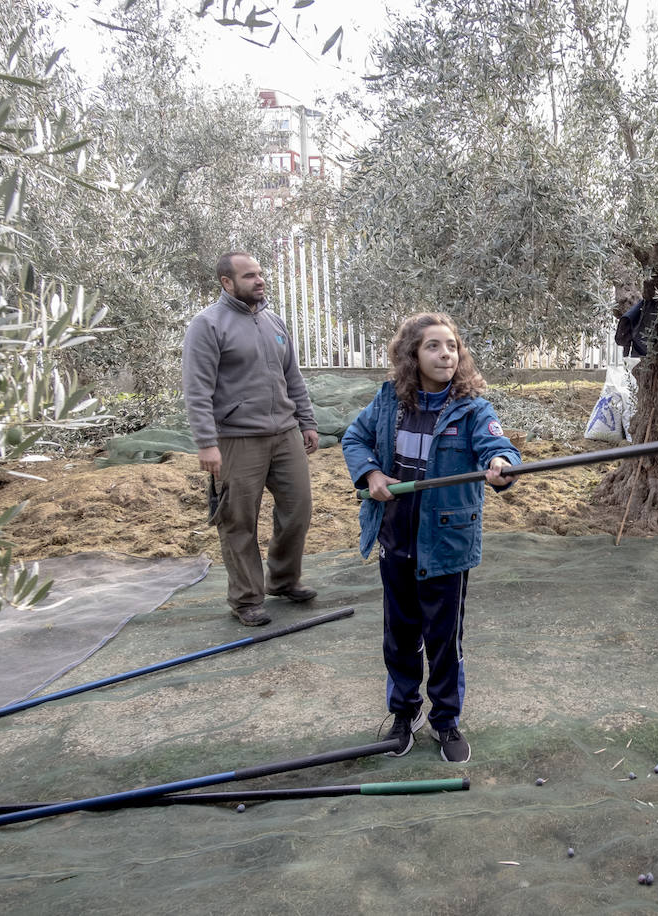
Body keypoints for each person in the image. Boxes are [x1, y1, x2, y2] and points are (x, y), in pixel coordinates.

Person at [341, 313, 520, 763]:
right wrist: (371, 472)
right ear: (412, 355)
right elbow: (354, 438)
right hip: (395, 537)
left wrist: (500, 464)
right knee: (399, 636)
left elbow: (498, 448)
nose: (446, 354)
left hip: (445, 546)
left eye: (452, 347)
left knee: (443, 641)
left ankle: (446, 720)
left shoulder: (473, 408)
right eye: (434, 347)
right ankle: (404, 714)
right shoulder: (388, 401)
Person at [182, 251, 320, 627]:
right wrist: (206, 443)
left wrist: (306, 421)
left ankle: (283, 579)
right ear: (227, 283)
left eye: (260, 274)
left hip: (285, 433)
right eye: (249, 276)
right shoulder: (207, 325)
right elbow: (196, 389)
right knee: (238, 520)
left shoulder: (273, 321)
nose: (259, 281)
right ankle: (246, 599)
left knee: (299, 510)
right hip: (236, 439)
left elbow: (293, 377)